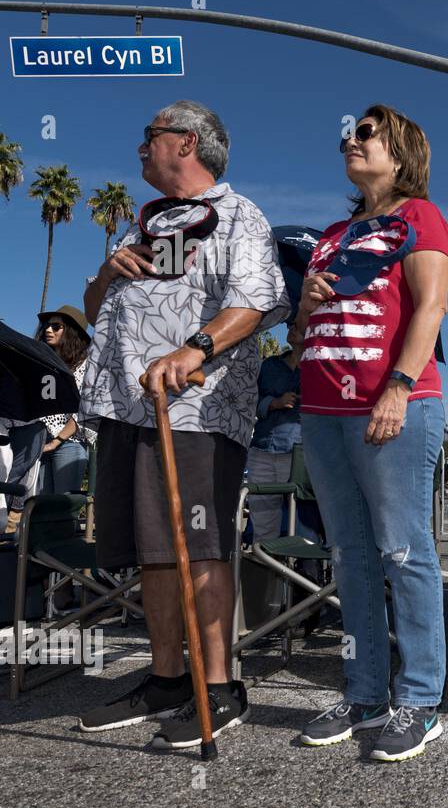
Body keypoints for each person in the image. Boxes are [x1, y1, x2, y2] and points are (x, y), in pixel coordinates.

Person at [76, 100, 289, 746]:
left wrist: (194, 349)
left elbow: (257, 299)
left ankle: (219, 686)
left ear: (187, 142)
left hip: (195, 406)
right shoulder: (141, 227)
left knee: (199, 545)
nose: (140, 147)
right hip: (128, 406)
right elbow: (93, 311)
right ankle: (168, 678)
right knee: (154, 551)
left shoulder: (236, 215)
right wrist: (109, 270)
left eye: (151, 136)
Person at [294, 104, 448, 761]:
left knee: (402, 551)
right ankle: (364, 694)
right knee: (350, 558)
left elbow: (434, 304)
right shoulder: (330, 233)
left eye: (366, 133)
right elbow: (302, 335)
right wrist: (303, 308)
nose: (350, 141)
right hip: (321, 410)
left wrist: (398, 384)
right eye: (349, 133)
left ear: (401, 149)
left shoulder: (420, 216)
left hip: (392, 405)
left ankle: (420, 698)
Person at [246, 324, 304, 543]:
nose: (291, 326)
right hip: (262, 449)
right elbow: (249, 401)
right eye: (289, 323)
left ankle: (305, 572)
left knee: (302, 521)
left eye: (297, 323)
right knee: (262, 522)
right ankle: (266, 568)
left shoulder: (319, 365)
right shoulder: (269, 365)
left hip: (299, 452)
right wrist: (273, 403)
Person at [32, 306, 96, 496]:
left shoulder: (87, 366)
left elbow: (84, 410)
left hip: (70, 443)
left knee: (63, 508)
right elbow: (46, 405)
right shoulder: (45, 364)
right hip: (41, 442)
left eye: (56, 326)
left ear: (71, 331)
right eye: (46, 325)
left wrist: (57, 441)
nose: (48, 330)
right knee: (40, 508)